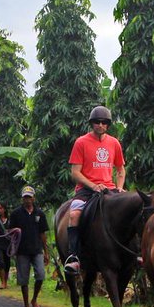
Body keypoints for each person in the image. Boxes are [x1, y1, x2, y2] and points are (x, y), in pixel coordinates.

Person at [64, 105, 125, 273]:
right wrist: (93, 185)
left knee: (130, 210)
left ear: (108, 124)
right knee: (75, 214)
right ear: (92, 123)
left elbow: (120, 169)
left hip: (109, 189)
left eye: (104, 122)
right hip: (86, 190)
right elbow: (75, 173)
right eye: (97, 122)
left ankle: (134, 254)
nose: (101, 125)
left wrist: (119, 188)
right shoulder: (81, 142)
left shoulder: (114, 143)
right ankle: (73, 256)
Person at [9, 185, 51, 307]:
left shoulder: (39, 213)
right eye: (25, 197)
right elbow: (10, 231)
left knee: (40, 275)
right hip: (22, 251)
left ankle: (34, 300)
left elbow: (42, 234)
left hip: (37, 249)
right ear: (22, 199)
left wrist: (46, 252)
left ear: (33, 198)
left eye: (29, 197)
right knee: (23, 279)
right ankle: (26, 305)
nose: (27, 200)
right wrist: (14, 234)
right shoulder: (16, 213)